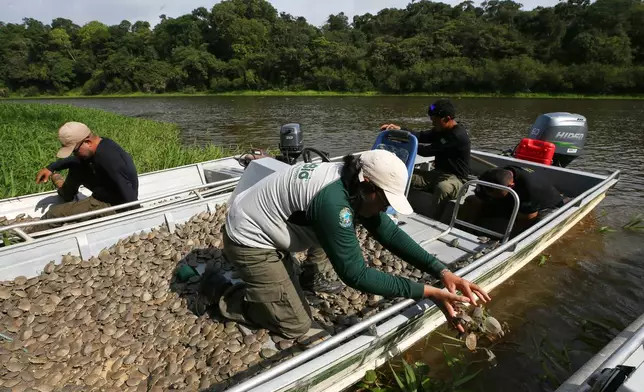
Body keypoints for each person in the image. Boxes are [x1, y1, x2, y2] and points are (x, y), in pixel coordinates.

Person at [199, 149, 490, 340]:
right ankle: (223, 289)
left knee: (345, 228)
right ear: (368, 186)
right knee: (294, 326)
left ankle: (309, 276)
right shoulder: (333, 202)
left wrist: (442, 272)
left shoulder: (352, 182)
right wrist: (428, 292)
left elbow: (387, 233)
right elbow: (356, 275)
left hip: (277, 221)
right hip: (250, 240)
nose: (385, 210)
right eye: (385, 201)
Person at [32, 122, 139, 231]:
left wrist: (137, 217)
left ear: (87, 142)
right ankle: (66, 194)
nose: (75, 154)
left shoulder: (108, 159)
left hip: (111, 203)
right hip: (106, 188)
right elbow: (76, 160)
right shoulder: (101, 143)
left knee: (53, 214)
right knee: (77, 166)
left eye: (75, 151)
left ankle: (27, 236)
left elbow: (127, 189)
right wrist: (51, 167)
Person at [380, 99, 471, 221]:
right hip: (437, 174)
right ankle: (392, 208)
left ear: (446, 119)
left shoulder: (457, 136)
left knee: (443, 188)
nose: (433, 124)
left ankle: (435, 221)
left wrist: (403, 141)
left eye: (435, 121)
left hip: (457, 179)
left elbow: (427, 151)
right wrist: (399, 130)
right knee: (404, 175)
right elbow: (420, 136)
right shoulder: (441, 130)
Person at [461, 165, 567, 236]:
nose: (490, 195)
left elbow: (527, 219)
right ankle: (465, 229)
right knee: (471, 201)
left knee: (534, 228)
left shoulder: (530, 189)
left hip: (543, 207)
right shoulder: (492, 176)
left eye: (496, 193)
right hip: (511, 198)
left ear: (511, 186)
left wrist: (508, 237)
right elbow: (479, 199)